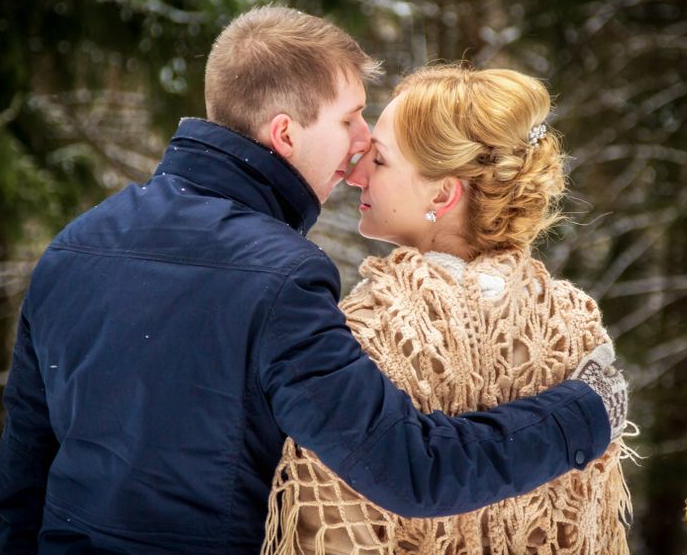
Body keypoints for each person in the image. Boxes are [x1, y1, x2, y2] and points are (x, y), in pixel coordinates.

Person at [0, 7, 626, 555]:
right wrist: (587, 411)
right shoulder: (282, 278)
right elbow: (408, 466)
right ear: (286, 133)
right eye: (352, 120)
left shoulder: (73, 246)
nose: (359, 144)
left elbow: (23, 479)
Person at [262, 65, 635, 555]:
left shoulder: (363, 332)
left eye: (381, 160)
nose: (355, 173)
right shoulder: (574, 328)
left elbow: (328, 531)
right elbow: (591, 530)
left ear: (443, 193)